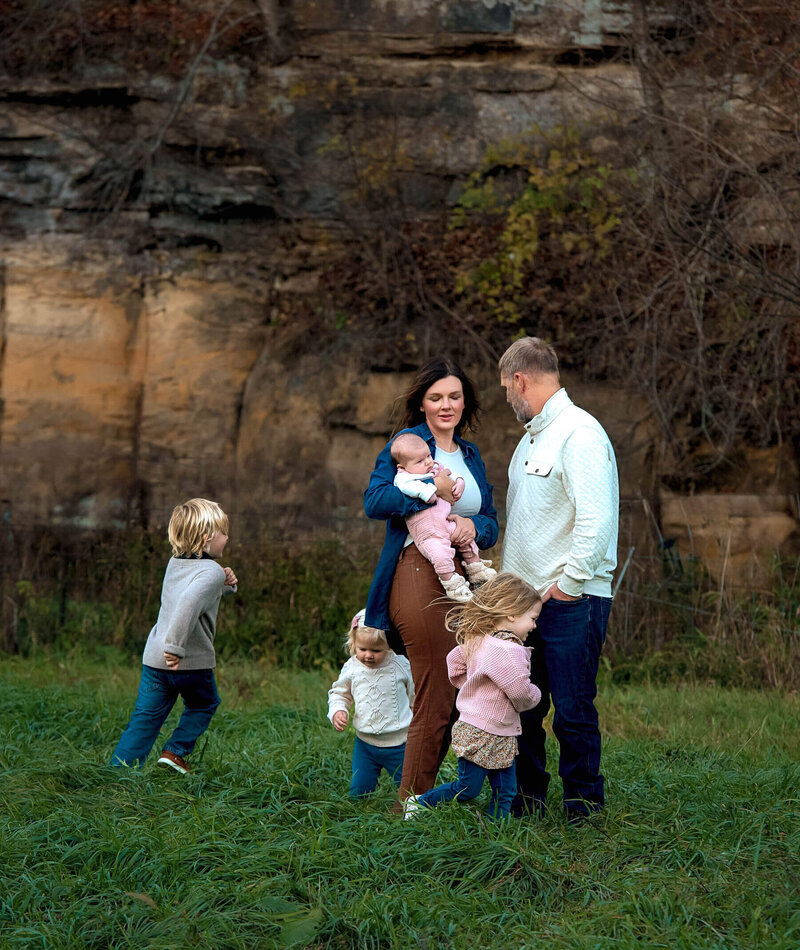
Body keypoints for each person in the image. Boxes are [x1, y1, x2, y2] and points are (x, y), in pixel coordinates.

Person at [364, 357, 499, 806]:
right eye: (436, 397)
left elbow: (492, 523)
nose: (446, 405)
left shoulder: (471, 456)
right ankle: (412, 804)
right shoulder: (407, 445)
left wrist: (470, 527)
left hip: (465, 574)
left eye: (455, 396)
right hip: (418, 570)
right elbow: (376, 500)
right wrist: (429, 491)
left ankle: (426, 797)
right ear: (421, 403)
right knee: (438, 686)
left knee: (460, 683)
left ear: (466, 401)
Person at [499, 337, 619, 822]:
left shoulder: (580, 433)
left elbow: (597, 519)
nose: (507, 397)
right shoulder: (530, 439)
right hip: (525, 607)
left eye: (507, 387)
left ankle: (583, 809)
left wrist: (568, 586)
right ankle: (527, 802)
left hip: (573, 600)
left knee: (571, 711)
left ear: (521, 380)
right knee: (523, 711)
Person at [110, 498, 238, 774]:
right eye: (223, 533)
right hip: (188, 662)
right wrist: (176, 648)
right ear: (206, 537)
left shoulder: (175, 564)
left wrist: (226, 586)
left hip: (154, 659)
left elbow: (193, 594)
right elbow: (189, 604)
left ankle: (117, 773)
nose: (228, 538)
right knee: (204, 703)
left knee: (145, 718)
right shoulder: (211, 571)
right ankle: (175, 752)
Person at [403, 573, 542, 820]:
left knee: (505, 789)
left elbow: (453, 661)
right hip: (484, 732)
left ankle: (494, 832)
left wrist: (469, 687)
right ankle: (419, 803)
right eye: (532, 618)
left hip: (488, 729)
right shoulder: (510, 651)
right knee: (468, 787)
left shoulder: (480, 639)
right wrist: (536, 694)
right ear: (511, 614)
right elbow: (521, 694)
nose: (534, 625)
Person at [391, 432, 496, 603]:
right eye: (419, 461)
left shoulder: (434, 467)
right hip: (428, 532)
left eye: (428, 456)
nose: (427, 462)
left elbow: (451, 474)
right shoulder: (404, 477)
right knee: (440, 555)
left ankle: (476, 569)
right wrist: (429, 489)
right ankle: (452, 584)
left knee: (467, 540)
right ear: (402, 467)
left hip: (446, 523)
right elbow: (405, 488)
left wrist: (459, 482)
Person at [327, 609, 415, 798]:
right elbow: (339, 694)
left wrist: (419, 721)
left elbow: (415, 695)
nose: (368, 655)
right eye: (362, 649)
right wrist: (338, 710)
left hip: (399, 744)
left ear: (390, 646)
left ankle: (415, 812)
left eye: (376, 650)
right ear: (353, 643)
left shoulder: (400, 665)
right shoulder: (352, 667)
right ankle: (358, 817)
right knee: (359, 790)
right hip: (365, 744)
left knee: (409, 790)